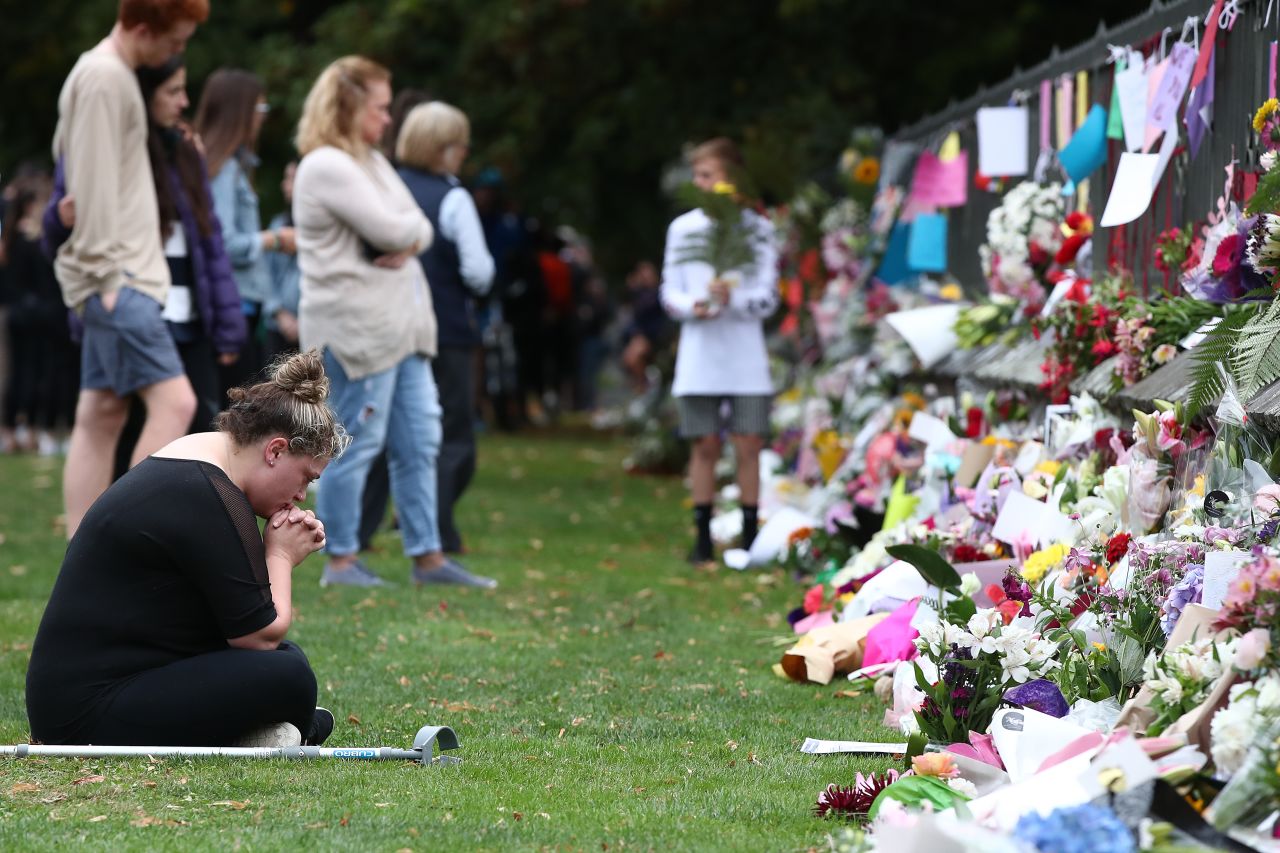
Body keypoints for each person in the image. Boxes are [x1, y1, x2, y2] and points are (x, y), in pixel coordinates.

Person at [26, 350, 343, 747]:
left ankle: (264, 728)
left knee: (286, 661)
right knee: (290, 676)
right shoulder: (210, 491)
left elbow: (241, 628)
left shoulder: (199, 463)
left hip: (92, 694)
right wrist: (279, 555)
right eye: (304, 479)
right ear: (275, 451)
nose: (300, 496)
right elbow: (259, 636)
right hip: (85, 714)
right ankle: (267, 729)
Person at [293, 56, 496, 588]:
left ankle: (427, 556)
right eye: (380, 108)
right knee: (355, 444)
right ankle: (338, 560)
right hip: (359, 330)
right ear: (349, 105)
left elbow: (418, 229)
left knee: (419, 442)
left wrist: (406, 235)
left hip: (399, 330)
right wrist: (404, 235)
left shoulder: (371, 163)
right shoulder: (327, 165)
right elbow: (392, 229)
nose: (388, 120)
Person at [51, 0, 208, 538]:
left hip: (119, 278)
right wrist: (107, 279)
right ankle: (119, 547)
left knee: (101, 415)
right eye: (175, 40)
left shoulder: (109, 75)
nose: (177, 52)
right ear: (143, 29)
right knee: (176, 403)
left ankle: (84, 557)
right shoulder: (103, 78)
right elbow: (86, 185)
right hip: (119, 279)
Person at [47, 55, 247, 442]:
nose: (184, 102)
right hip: (131, 305)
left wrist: (227, 324)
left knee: (196, 432)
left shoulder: (187, 151)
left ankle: (155, 504)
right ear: (143, 95)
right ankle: (130, 504)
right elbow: (56, 236)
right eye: (173, 91)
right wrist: (60, 218)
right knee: (121, 424)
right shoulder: (102, 144)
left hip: (190, 318)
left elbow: (210, 242)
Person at [660, 138, 779, 565]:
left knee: (749, 443)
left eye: (708, 175)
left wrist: (735, 299)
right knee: (704, 444)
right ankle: (702, 538)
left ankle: (749, 537)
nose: (701, 183)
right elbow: (669, 290)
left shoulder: (758, 228)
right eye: (698, 176)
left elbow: (768, 296)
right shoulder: (683, 228)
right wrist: (691, 306)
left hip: (745, 355)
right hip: (699, 353)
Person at [395, 101, 495, 555]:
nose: (465, 152)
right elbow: (479, 271)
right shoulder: (453, 197)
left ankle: (363, 528)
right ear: (445, 148)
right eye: (459, 144)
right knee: (453, 434)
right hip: (448, 329)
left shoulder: (388, 187)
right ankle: (436, 529)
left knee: (390, 431)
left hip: (392, 325)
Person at [196, 68, 293, 397]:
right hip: (235, 307)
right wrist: (275, 239)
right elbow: (222, 243)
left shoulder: (224, 165)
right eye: (260, 109)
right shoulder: (224, 169)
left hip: (238, 305)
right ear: (240, 112)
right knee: (239, 410)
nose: (262, 119)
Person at [4, 170, 77, 454]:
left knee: (33, 373)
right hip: (42, 315)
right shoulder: (35, 239)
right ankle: (34, 429)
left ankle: (28, 429)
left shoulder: (16, 236)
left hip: (31, 314)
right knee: (40, 374)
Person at [263, 161, 300, 361]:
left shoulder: (326, 230)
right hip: (278, 327)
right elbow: (265, 273)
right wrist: (279, 313)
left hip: (314, 329)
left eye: (292, 179)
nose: (285, 185)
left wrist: (306, 320)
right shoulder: (278, 225)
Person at [621, 260, 666, 394]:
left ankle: (645, 384)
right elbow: (636, 317)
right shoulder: (640, 294)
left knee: (633, 358)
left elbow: (652, 314)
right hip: (639, 335)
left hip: (654, 336)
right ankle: (642, 384)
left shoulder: (659, 293)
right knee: (628, 359)